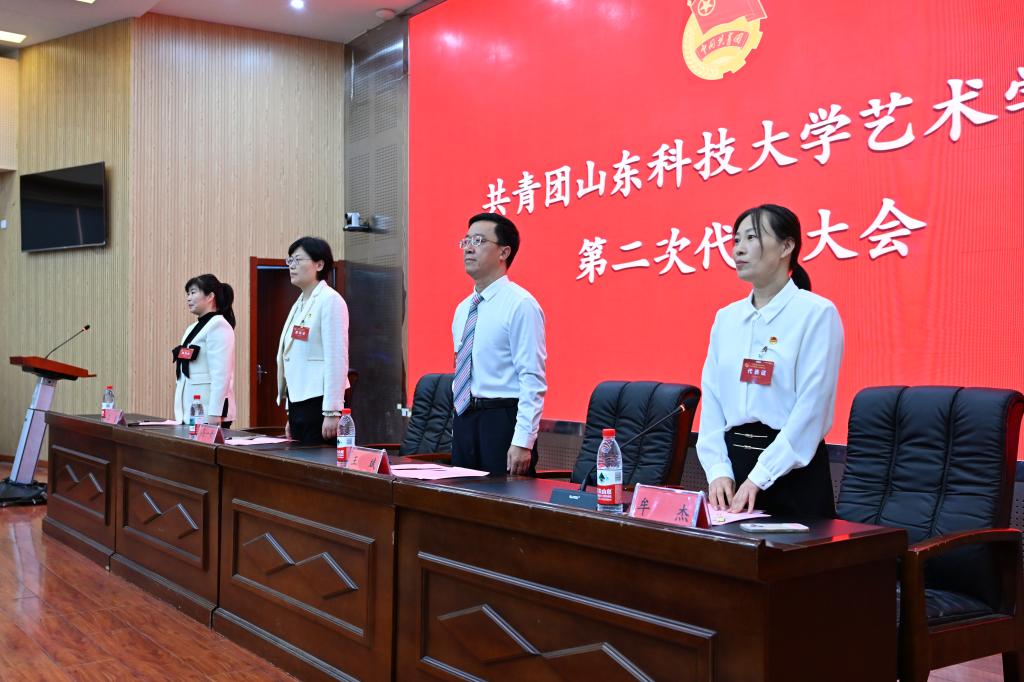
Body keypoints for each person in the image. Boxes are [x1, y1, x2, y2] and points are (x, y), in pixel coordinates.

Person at [696, 204, 844, 518]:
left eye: (751, 237)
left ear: (786, 246)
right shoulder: (727, 318)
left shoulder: (816, 313)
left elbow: (813, 408)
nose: (738, 249)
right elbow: (712, 400)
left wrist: (761, 476)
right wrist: (717, 469)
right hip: (733, 471)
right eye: (736, 240)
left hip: (792, 471)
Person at [451, 212, 547, 476]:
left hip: (502, 421)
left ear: (504, 252)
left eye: (479, 241)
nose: (468, 248)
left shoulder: (520, 305)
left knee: (502, 499)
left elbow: (532, 378)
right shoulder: (463, 309)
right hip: (465, 419)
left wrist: (523, 441)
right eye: (466, 241)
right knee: (458, 498)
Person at [276, 236, 349, 444]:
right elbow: (293, 358)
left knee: (318, 460)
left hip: (320, 402)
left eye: (298, 260)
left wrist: (333, 411)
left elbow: (337, 358)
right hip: (298, 402)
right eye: (289, 260)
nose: (291, 266)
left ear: (319, 264)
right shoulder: (299, 303)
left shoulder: (330, 300)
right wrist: (290, 411)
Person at [173, 274, 237, 428]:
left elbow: (221, 374)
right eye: (187, 294)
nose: (188, 298)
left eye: (193, 292)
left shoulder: (219, 325)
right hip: (191, 411)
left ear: (210, 296)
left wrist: (214, 413)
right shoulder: (192, 328)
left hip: (209, 413)